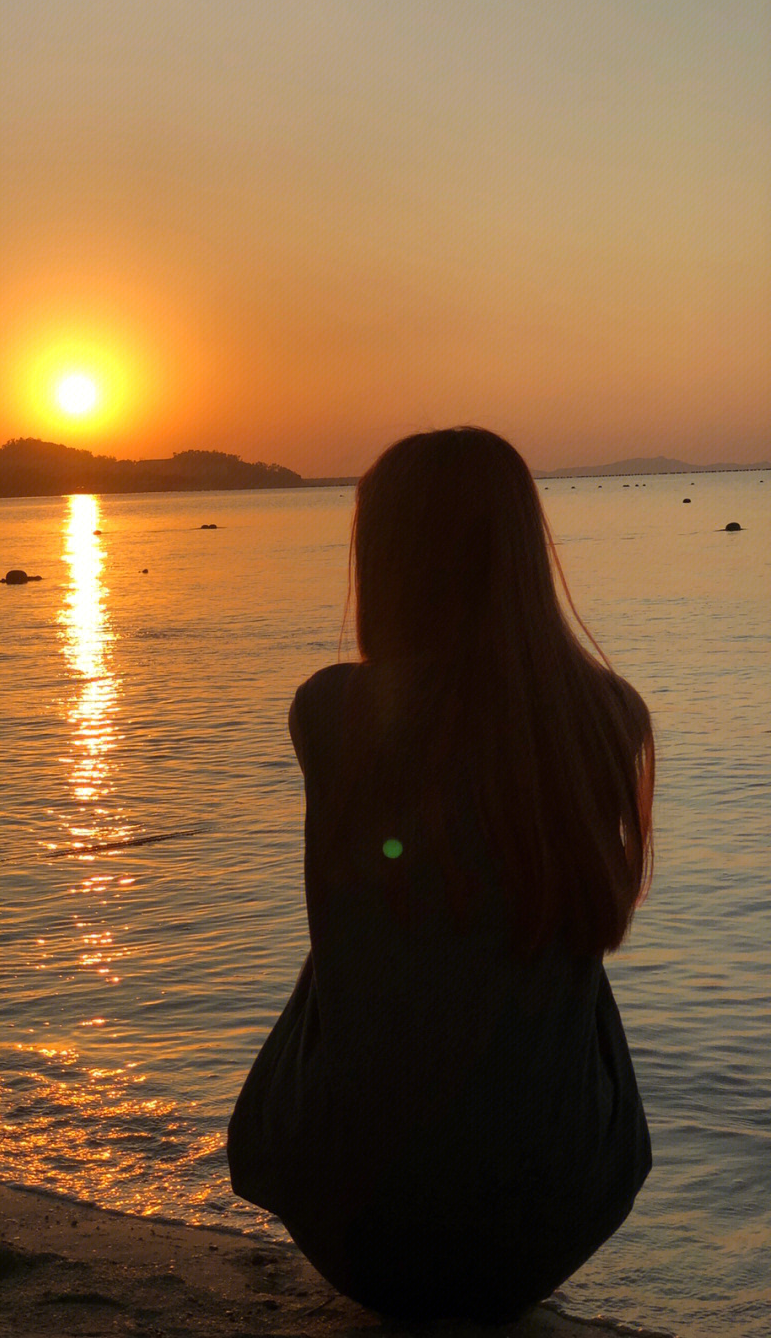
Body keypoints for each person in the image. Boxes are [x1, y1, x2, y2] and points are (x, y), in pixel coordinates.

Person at [227, 427, 654, 1325]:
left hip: (362, 1230)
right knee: (555, 936)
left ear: (387, 559)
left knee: (364, 942)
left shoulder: (334, 715)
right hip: (555, 1218)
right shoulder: (612, 717)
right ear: (523, 552)